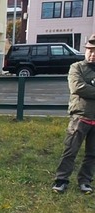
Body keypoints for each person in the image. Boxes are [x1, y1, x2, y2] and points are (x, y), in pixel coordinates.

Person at [52, 34, 95, 194]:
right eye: (90, 50)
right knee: (70, 150)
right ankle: (61, 180)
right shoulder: (77, 67)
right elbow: (78, 87)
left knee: (92, 154)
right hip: (80, 117)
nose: (92, 54)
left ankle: (85, 181)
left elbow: (86, 89)